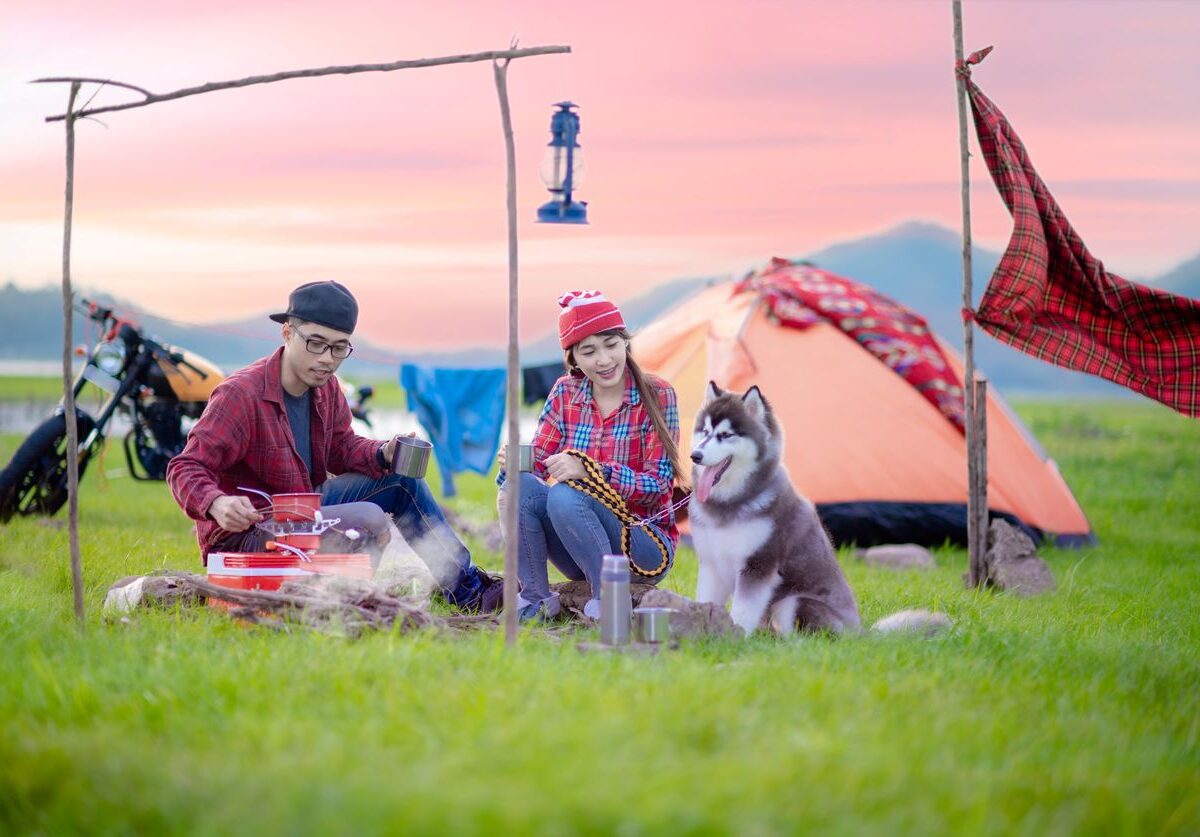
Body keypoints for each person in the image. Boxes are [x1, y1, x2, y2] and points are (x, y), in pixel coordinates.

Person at [166, 280, 502, 612]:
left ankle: (465, 588)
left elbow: (340, 447)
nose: (327, 359)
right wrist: (217, 502)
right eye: (316, 343)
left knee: (403, 479)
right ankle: (344, 604)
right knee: (367, 518)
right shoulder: (241, 395)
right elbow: (185, 466)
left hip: (302, 510)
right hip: (250, 530)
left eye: (339, 347)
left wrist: (383, 452)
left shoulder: (326, 389)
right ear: (287, 333)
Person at [497, 290, 685, 622]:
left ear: (626, 343)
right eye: (589, 351)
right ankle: (536, 599)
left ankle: (611, 604)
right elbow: (538, 462)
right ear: (574, 360)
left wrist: (591, 471)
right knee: (520, 485)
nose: (603, 360)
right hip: (578, 542)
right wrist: (513, 465)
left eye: (611, 345)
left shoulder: (658, 394)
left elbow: (659, 486)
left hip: (642, 544)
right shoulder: (565, 392)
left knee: (567, 493)